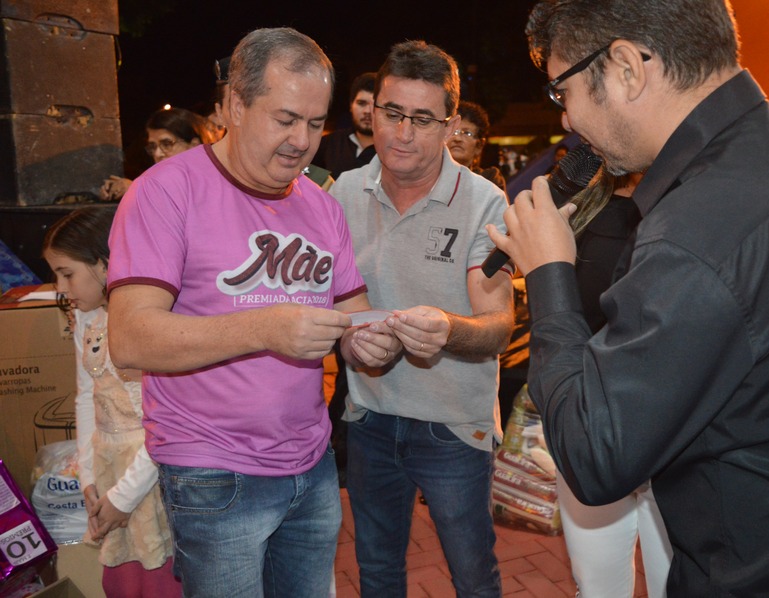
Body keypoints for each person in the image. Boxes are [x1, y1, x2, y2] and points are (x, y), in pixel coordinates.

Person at [487, 1, 769, 595]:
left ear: (626, 67)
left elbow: (595, 454)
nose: (569, 122)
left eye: (563, 92)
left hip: (758, 570)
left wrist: (550, 272)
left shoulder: (692, 233)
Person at [106, 27, 400, 597]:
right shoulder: (165, 191)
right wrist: (265, 327)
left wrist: (378, 339)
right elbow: (130, 338)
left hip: (311, 465)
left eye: (316, 124)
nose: (301, 141)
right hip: (212, 470)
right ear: (235, 106)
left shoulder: (321, 205)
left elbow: (353, 314)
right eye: (285, 118)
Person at [330, 40, 514, 598]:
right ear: (372, 110)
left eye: (422, 119)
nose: (401, 133)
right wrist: (349, 343)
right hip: (370, 418)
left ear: (448, 123)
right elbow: (332, 303)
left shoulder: (483, 202)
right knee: (378, 570)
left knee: (471, 574)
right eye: (391, 113)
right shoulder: (344, 191)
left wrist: (448, 329)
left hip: (453, 425)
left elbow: (498, 325)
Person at [42, 207, 181, 598]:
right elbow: (87, 394)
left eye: (67, 273)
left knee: (162, 578)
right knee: (124, 583)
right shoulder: (85, 319)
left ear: (104, 264)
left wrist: (123, 496)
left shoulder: (148, 318)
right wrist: (88, 477)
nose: (62, 287)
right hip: (109, 469)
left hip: (152, 472)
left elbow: (167, 419)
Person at [559, 168, 673, 598]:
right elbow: (560, 318)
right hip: (593, 421)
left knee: (674, 583)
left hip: (672, 429)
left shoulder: (688, 207)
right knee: (597, 584)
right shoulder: (582, 211)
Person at [99, 107, 215, 201]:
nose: (157, 154)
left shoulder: (213, 183)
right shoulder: (153, 180)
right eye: (153, 146)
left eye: (167, 143)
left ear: (194, 145)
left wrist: (135, 189)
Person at [312, 72, 377, 178]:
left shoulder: (393, 150)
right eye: (361, 103)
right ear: (351, 105)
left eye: (374, 106)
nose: (367, 111)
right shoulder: (328, 144)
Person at [447, 100, 506, 191]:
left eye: (467, 133)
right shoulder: (426, 177)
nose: (457, 138)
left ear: (479, 146)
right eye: (454, 131)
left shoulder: (489, 179)